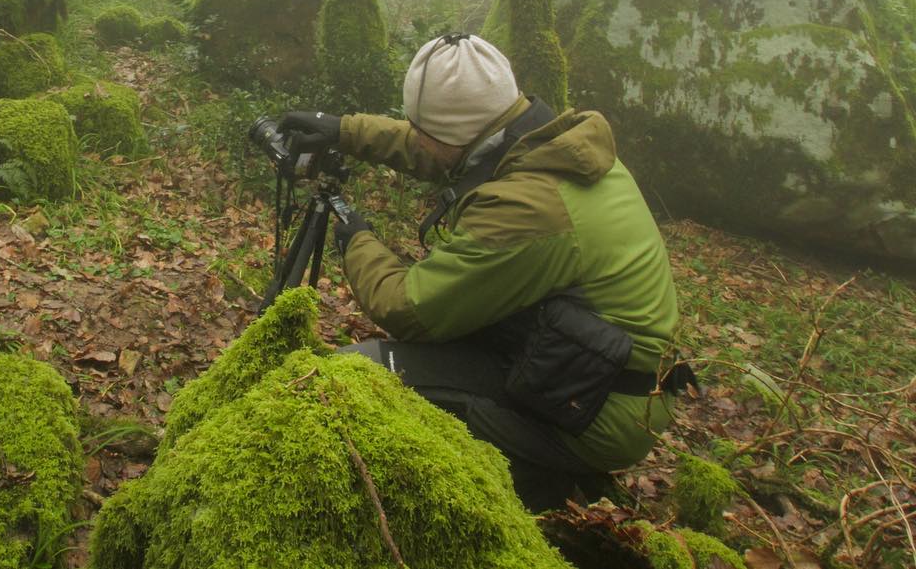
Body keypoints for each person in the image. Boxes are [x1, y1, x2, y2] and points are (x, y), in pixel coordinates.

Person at [278, 33, 682, 510]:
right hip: (583, 368)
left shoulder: (527, 207)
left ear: (459, 134)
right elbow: (436, 144)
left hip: (589, 408)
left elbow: (407, 308)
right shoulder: (550, 144)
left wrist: (355, 237)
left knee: (352, 375)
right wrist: (341, 129)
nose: (415, 137)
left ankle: (538, 480)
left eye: (422, 130)